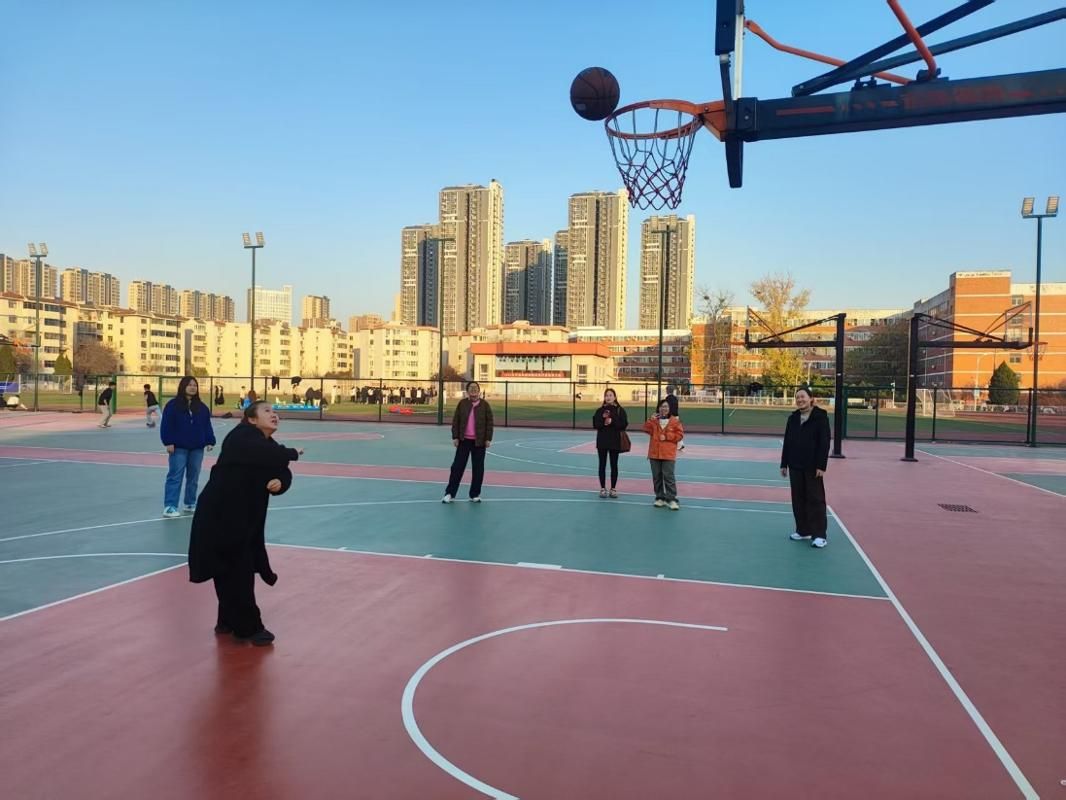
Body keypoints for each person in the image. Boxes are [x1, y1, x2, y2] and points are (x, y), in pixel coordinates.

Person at [187, 401, 303, 646]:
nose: (274, 414)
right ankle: (249, 628)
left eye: (274, 411)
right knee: (237, 570)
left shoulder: (268, 445)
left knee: (230, 568)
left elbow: (282, 469)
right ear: (251, 419)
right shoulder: (241, 437)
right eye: (267, 411)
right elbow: (270, 455)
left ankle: (227, 620)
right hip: (220, 515)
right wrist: (292, 452)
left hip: (242, 518)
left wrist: (281, 482)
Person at [781, 387, 831, 549]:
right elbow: (787, 441)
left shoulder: (820, 417)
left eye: (803, 397)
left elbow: (824, 442)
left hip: (812, 466)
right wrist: (784, 463)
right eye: (797, 397)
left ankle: (819, 535)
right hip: (795, 465)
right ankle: (803, 530)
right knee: (798, 499)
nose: (800, 400)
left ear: (811, 399)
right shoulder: (793, 418)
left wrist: (821, 465)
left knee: (815, 500)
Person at [160, 376, 216, 518]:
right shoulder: (172, 405)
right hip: (178, 447)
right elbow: (166, 424)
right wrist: (168, 441)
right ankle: (170, 506)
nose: (192, 387)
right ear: (183, 386)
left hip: (197, 448)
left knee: (193, 477)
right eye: (190, 385)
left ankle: (190, 503)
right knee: (175, 476)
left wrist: (210, 440)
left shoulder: (202, 407)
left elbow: (206, 425)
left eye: (195, 385)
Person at [442, 381, 493, 504]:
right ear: (467, 391)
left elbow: (489, 423)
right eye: (471, 388)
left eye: (475, 388)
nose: (473, 390)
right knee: (457, 467)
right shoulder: (462, 404)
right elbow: (456, 421)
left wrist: (488, 438)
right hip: (464, 441)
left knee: (478, 469)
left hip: (479, 442)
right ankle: (450, 493)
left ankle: (475, 494)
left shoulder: (485, 405)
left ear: (479, 391)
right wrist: (455, 437)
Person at [643, 399, 684, 510]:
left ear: (669, 408)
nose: (664, 409)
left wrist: (667, 437)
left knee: (669, 477)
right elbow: (645, 429)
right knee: (657, 477)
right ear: (658, 408)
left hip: (668, 454)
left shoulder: (674, 421)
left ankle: (671, 499)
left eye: (666, 406)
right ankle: (660, 497)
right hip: (654, 453)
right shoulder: (654, 420)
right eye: (661, 406)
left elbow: (680, 435)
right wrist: (650, 420)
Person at [592, 388, 628, 498]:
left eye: (610, 395)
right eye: (606, 395)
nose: (608, 397)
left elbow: (624, 424)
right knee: (602, 465)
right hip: (602, 441)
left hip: (614, 441)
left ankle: (613, 488)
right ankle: (603, 488)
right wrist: (603, 422)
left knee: (614, 465)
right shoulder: (600, 410)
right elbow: (596, 424)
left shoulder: (620, 410)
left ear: (615, 397)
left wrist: (612, 421)